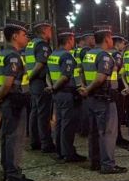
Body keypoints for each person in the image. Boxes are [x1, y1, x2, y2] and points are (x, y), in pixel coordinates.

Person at [0, 19, 34, 181]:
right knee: (15, 137)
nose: (27, 38)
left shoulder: (2, 54)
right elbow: (8, 83)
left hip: (7, 101)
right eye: (24, 34)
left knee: (7, 137)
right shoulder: (14, 56)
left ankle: (8, 170)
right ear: (15, 36)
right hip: (14, 102)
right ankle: (13, 174)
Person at [79, 25, 127, 174]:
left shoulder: (88, 54)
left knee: (93, 131)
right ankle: (108, 164)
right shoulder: (104, 56)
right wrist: (88, 88)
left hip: (91, 99)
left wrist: (83, 87)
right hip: (104, 98)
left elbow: (80, 71)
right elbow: (100, 78)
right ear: (107, 38)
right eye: (111, 38)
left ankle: (95, 161)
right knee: (107, 132)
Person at [46, 28, 87, 163]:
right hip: (66, 93)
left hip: (57, 94)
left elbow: (47, 75)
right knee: (67, 125)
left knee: (59, 123)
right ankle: (68, 153)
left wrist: (52, 87)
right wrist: (55, 87)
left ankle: (60, 151)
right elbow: (65, 76)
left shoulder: (53, 55)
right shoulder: (67, 56)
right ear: (69, 40)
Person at [25, 20, 55, 153]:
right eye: (49, 29)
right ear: (43, 30)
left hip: (33, 83)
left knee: (35, 112)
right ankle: (46, 143)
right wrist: (31, 76)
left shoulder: (30, 44)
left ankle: (35, 141)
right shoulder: (42, 45)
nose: (51, 32)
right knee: (43, 114)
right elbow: (41, 63)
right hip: (40, 81)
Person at [111, 35, 129, 148]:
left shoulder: (108, 53)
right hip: (118, 86)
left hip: (112, 86)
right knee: (118, 113)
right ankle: (118, 137)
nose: (124, 45)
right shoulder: (116, 54)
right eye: (123, 43)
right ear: (117, 43)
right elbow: (120, 72)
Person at [75, 31, 95, 138]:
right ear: (87, 39)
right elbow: (84, 69)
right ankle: (85, 130)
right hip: (85, 83)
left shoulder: (79, 51)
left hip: (78, 82)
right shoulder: (86, 51)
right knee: (85, 108)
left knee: (81, 108)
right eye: (92, 38)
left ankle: (81, 129)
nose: (94, 40)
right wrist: (83, 84)